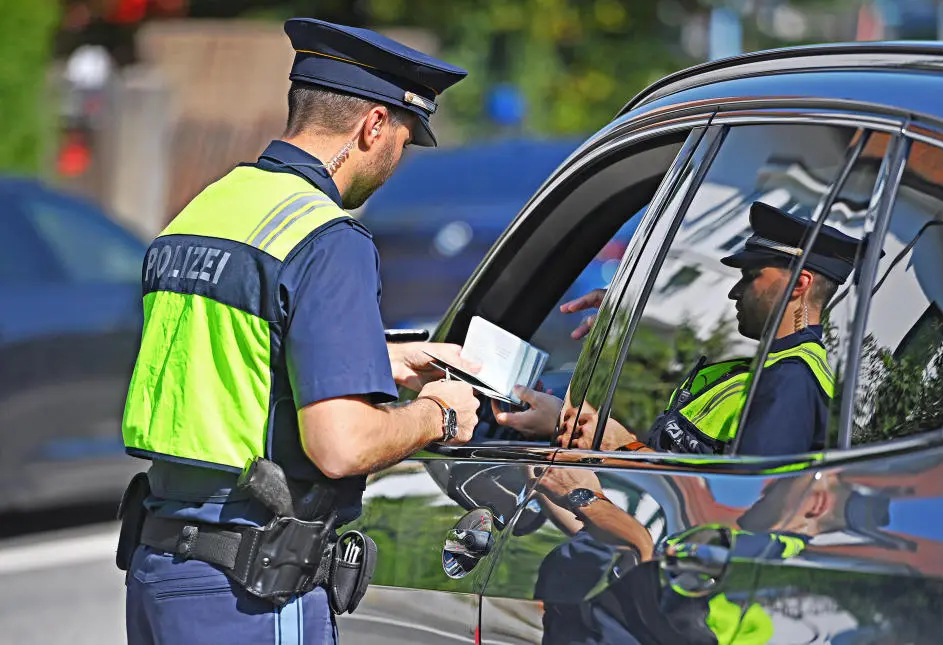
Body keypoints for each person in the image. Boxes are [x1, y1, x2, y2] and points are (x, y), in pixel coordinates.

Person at [117, 19, 480, 645]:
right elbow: (340, 446)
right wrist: (439, 415)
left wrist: (375, 357)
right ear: (373, 125)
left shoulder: (207, 209)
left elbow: (224, 358)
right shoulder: (326, 239)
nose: (396, 160)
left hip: (162, 568)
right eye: (403, 138)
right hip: (248, 586)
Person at [495, 201, 866, 456]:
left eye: (752, 276)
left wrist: (618, 447)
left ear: (798, 285)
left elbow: (742, 508)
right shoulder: (763, 372)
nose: (736, 290)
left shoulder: (791, 381)